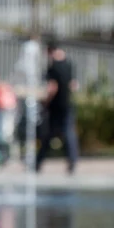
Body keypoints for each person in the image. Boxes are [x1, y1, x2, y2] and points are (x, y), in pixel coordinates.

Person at [37, 39, 78, 174]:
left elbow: (52, 87)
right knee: (68, 133)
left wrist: (46, 101)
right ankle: (72, 162)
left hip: (55, 106)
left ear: (50, 50)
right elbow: (73, 85)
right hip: (67, 103)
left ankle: (38, 162)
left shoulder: (53, 66)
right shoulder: (69, 64)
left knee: (48, 134)